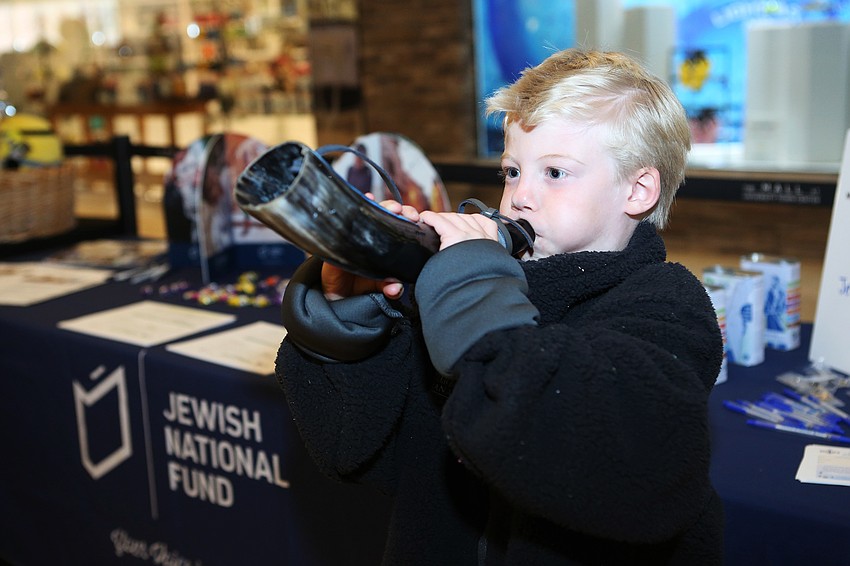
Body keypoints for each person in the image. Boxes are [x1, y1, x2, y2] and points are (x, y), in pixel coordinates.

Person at [276, 48, 724, 565]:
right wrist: (350, 322)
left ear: (638, 188)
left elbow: (624, 469)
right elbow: (357, 456)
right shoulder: (470, 298)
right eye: (512, 171)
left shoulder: (666, 303)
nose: (520, 197)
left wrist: (470, 281)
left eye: (555, 173)